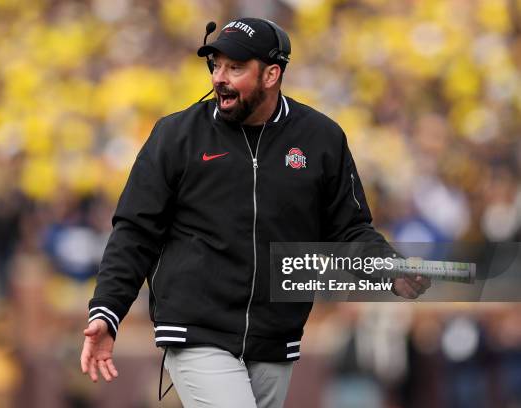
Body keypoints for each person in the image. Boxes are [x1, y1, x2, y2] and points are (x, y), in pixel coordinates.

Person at [80, 17, 430, 408]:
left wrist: (387, 268)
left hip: (275, 337)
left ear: (272, 74)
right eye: (216, 65)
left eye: (235, 67)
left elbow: (350, 229)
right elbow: (134, 232)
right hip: (196, 331)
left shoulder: (322, 138)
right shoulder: (175, 136)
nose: (218, 78)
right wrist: (107, 311)